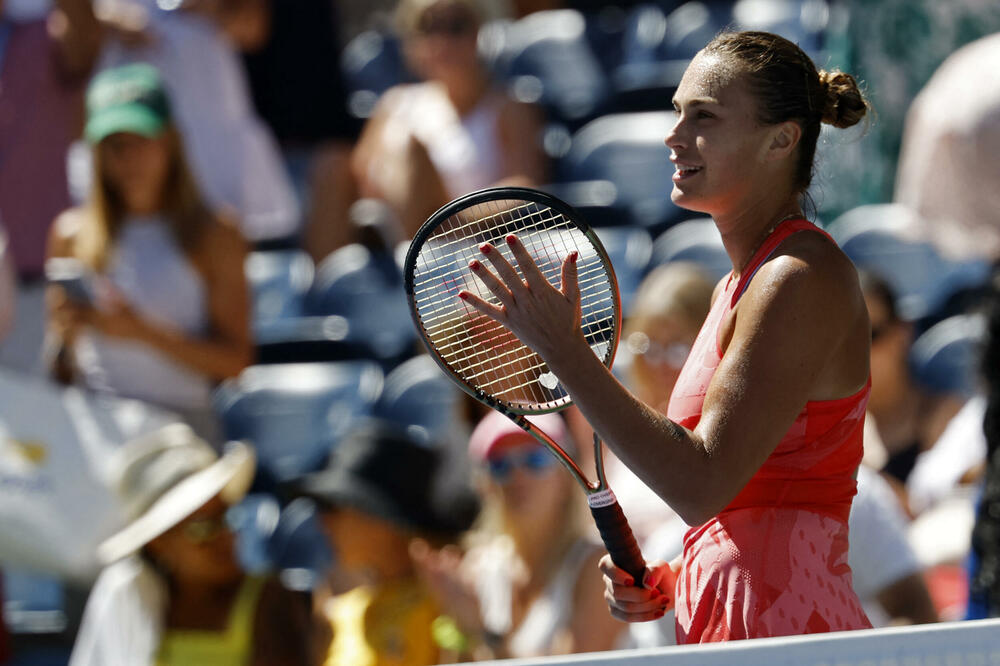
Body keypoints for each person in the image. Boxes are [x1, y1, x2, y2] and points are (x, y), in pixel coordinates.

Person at [459, 30, 874, 642]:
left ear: (781, 139)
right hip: (737, 629)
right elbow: (745, 512)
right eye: (677, 112)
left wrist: (567, 353)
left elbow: (701, 483)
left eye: (703, 116)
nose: (673, 135)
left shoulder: (799, 277)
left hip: (788, 639)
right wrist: (681, 576)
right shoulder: (736, 287)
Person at [45, 63, 253, 443]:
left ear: (170, 140)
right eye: (114, 145)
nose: (129, 158)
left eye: (142, 139)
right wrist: (65, 337)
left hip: (182, 431)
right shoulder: (70, 234)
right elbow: (60, 371)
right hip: (97, 429)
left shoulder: (216, 233)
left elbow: (236, 363)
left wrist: (140, 331)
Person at [70, 424, 310, 665]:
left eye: (227, 517)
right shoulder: (127, 593)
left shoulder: (269, 598)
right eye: (203, 528)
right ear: (159, 543)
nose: (226, 536)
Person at [416, 411, 625, 659]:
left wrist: (481, 632)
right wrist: (460, 629)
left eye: (535, 459)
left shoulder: (598, 567)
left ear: (567, 475)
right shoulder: (478, 567)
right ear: (485, 485)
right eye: (499, 465)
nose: (518, 476)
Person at [346, 0, 547, 243]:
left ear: (478, 32)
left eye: (456, 26)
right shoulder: (394, 104)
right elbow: (360, 184)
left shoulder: (510, 107)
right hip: (393, 247)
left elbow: (524, 187)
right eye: (427, 28)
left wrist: (444, 222)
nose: (442, 40)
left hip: (474, 246)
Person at [292, 420, 480, 666]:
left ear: (384, 522)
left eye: (335, 507)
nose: (323, 521)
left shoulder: (450, 604)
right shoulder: (340, 614)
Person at [859, 270, 966, 492]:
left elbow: (941, 514)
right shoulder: (833, 428)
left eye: (869, 335)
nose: (854, 352)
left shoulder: (945, 417)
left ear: (902, 332)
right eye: (843, 340)